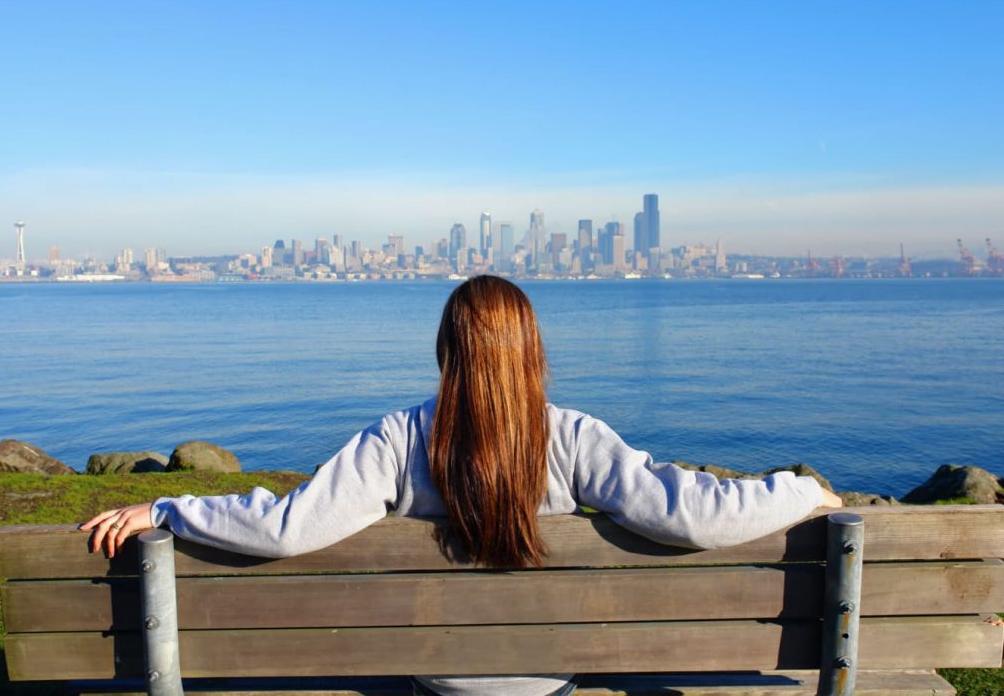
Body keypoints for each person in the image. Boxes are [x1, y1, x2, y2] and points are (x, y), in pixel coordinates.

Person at [82, 275, 842, 696]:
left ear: (446, 348)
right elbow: (695, 514)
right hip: (548, 679)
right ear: (532, 351)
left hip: (439, 678)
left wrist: (168, 505)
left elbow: (288, 525)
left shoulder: (398, 438)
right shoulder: (572, 436)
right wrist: (802, 491)